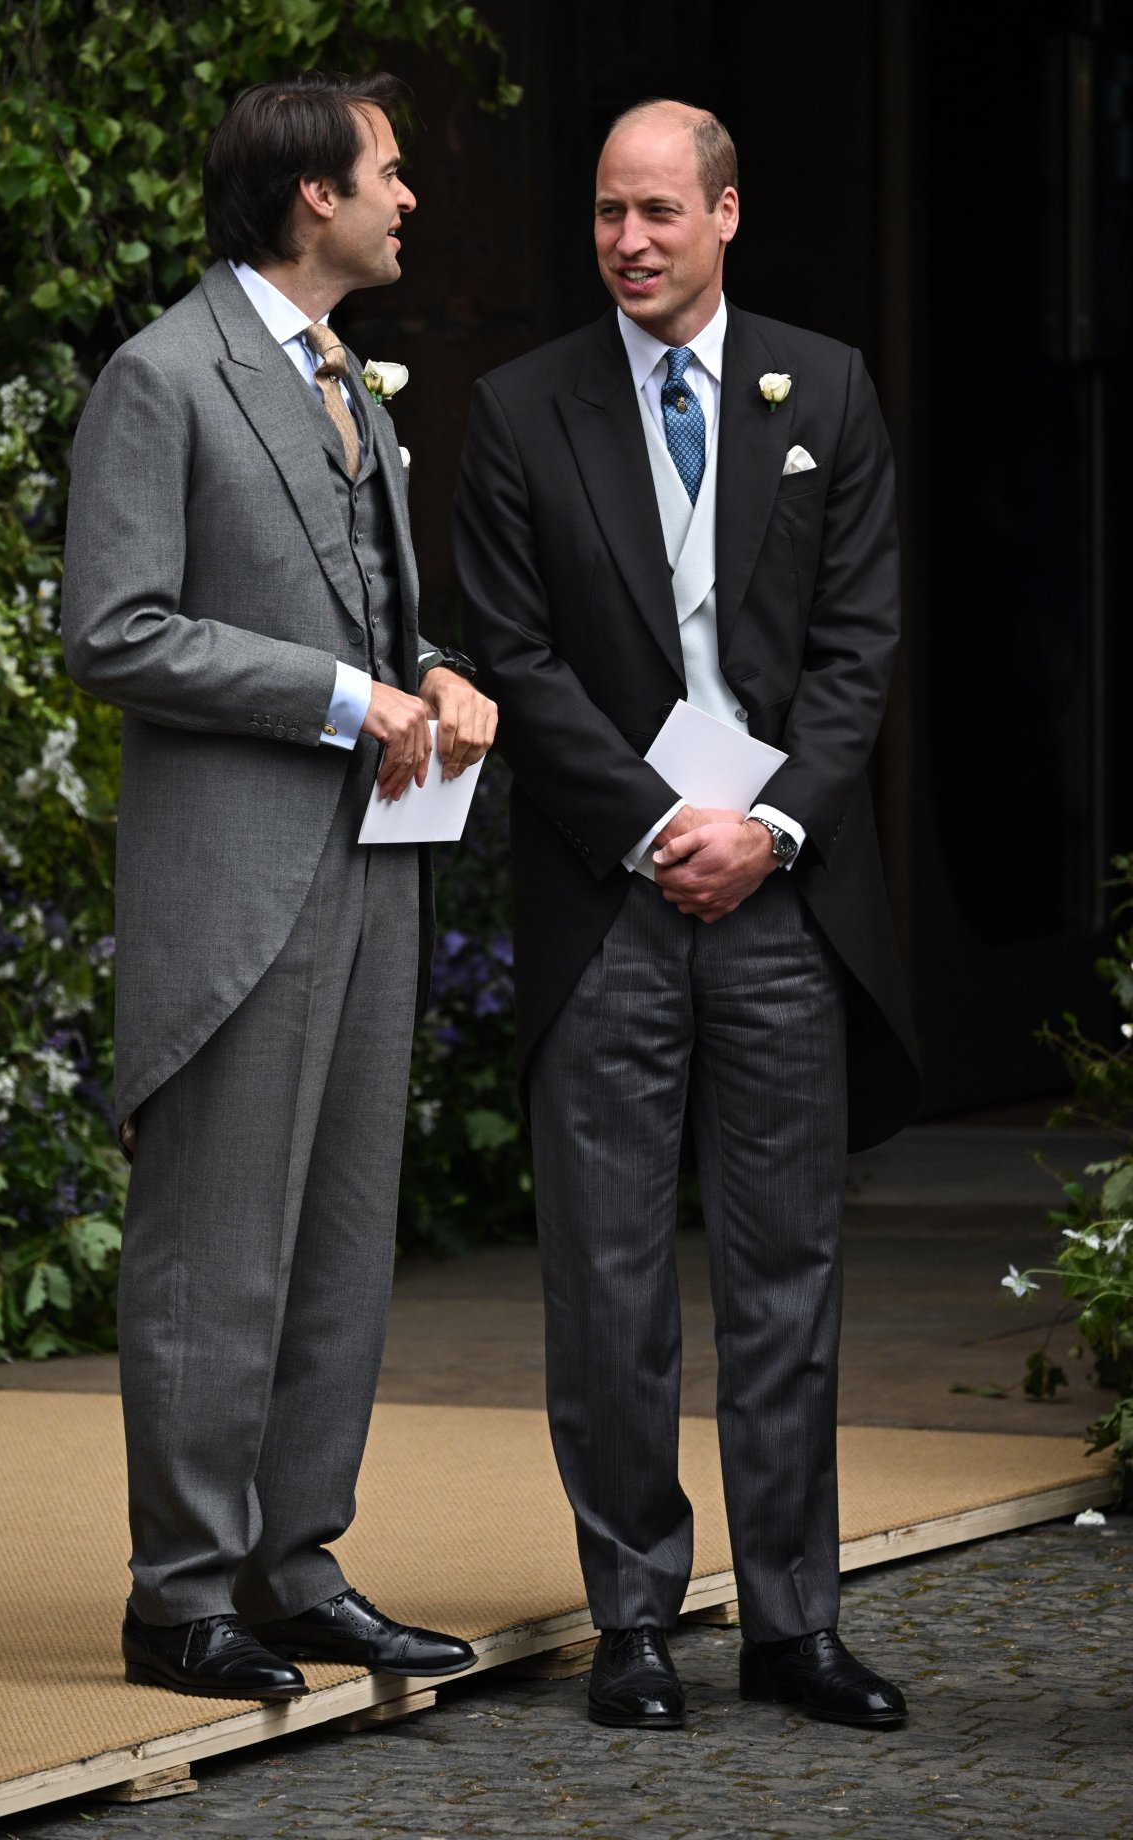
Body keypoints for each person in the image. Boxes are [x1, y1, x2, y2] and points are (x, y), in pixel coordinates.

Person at [454, 99, 920, 1732]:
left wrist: (772, 826)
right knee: (609, 1284)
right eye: (605, 214)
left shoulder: (830, 384)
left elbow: (863, 643)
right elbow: (512, 654)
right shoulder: (519, 410)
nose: (629, 242)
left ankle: (794, 1626)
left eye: (658, 211)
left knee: (789, 1274)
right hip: (610, 902)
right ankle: (635, 1619)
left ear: (729, 213)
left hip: (784, 902)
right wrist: (660, 823)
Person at [62, 71, 496, 1702]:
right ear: (312, 193)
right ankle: (178, 1596)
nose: (407, 199)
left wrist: (437, 675)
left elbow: (371, 621)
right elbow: (112, 627)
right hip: (234, 883)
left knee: (337, 1241)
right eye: (389, 172)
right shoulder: (164, 375)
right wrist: (347, 700)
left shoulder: (347, 388)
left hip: (368, 876)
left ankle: (292, 1566)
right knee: (214, 1251)